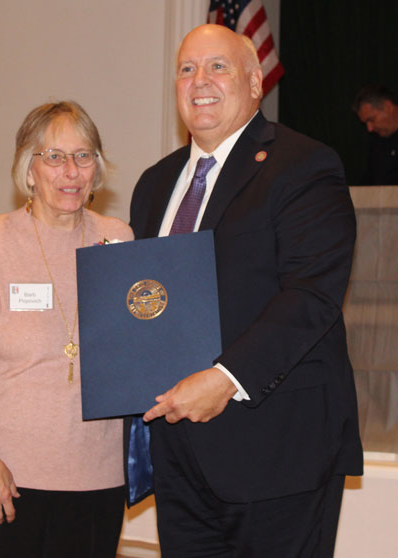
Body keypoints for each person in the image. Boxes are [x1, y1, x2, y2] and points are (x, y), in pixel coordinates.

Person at [128, 24, 363, 557]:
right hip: (178, 452)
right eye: (187, 69)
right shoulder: (154, 184)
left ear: (255, 84)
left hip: (278, 448)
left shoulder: (304, 164)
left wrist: (225, 379)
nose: (200, 81)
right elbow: (147, 303)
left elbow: (311, 295)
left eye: (218, 67)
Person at [0, 101, 133, 558]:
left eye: (84, 156)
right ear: (28, 169)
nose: (71, 171)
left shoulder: (118, 239)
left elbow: (135, 350)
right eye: (54, 157)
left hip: (94, 478)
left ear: (97, 168)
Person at [353, 84, 398, 184]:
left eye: (371, 120)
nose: (370, 128)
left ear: (388, 107)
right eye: (366, 123)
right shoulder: (376, 142)